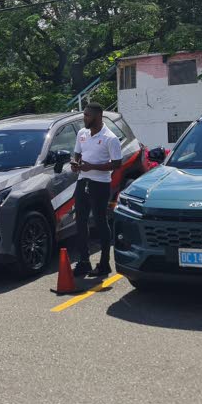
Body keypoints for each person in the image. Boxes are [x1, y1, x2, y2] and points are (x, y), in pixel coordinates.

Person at [70, 103, 124, 278]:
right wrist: (75, 163)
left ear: (97, 117)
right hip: (82, 180)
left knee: (100, 222)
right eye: (84, 115)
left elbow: (117, 163)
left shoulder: (110, 138)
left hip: (100, 184)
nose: (84, 118)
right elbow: (77, 153)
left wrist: (92, 166)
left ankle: (104, 263)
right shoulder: (82, 133)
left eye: (87, 115)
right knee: (80, 221)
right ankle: (84, 261)